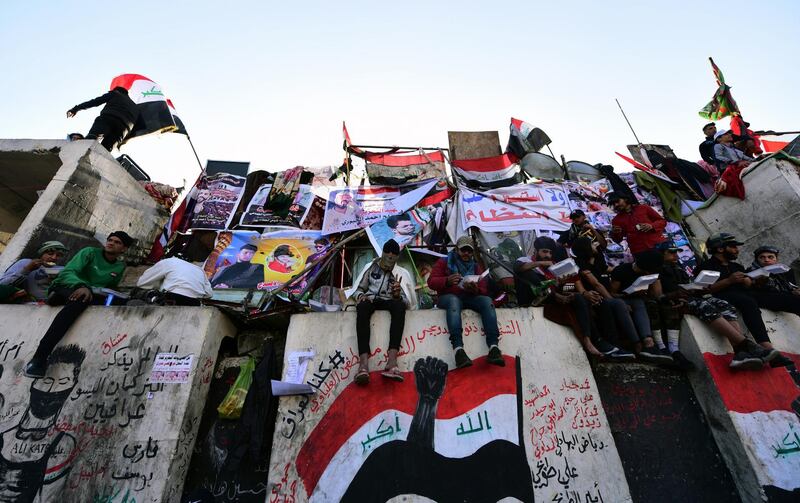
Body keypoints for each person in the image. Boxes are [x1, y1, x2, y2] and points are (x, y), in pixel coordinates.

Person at [653, 241, 776, 370]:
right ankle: (748, 346)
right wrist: (674, 295)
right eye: (671, 253)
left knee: (724, 305)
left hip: (691, 297)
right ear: (661, 254)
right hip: (678, 302)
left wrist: (697, 288)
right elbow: (659, 297)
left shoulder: (678, 269)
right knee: (704, 306)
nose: (676, 256)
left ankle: (740, 353)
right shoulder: (657, 271)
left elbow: (691, 287)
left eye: (676, 252)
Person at [24, 231, 133, 378]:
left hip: (91, 293)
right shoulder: (89, 252)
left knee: (122, 302)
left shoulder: (119, 266)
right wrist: (81, 285)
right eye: (110, 240)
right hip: (67, 285)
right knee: (80, 299)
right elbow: (68, 272)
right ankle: (39, 358)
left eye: (117, 242)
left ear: (124, 249)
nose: (111, 243)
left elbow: (111, 287)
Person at [515, 237, 633, 361]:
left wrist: (564, 284)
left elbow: (567, 287)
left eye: (550, 253)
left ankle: (612, 345)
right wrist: (540, 264)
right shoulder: (525, 260)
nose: (547, 256)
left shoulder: (554, 266)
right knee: (579, 299)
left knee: (599, 302)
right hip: (536, 298)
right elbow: (518, 268)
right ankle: (590, 341)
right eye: (544, 252)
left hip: (556, 296)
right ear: (536, 251)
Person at [0, 345, 84, 501]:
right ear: (34, 383)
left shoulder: (62, 443)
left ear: (72, 386)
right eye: (48, 381)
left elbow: (46, 498)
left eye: (63, 382)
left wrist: (147, 396)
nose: (52, 389)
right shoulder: (4, 433)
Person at [699, 233, 796, 367]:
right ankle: (767, 348)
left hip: (745, 296)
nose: (737, 250)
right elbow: (703, 290)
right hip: (723, 297)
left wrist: (753, 281)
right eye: (733, 247)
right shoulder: (706, 266)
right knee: (747, 301)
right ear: (720, 249)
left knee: (786, 299)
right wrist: (729, 280)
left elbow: (749, 285)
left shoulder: (737, 267)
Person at [572, 238, 666, 362]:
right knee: (619, 304)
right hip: (600, 295)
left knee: (638, 302)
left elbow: (607, 269)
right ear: (586, 249)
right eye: (591, 244)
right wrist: (612, 297)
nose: (595, 244)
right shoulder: (581, 264)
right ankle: (636, 344)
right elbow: (596, 285)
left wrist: (622, 270)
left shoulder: (598, 258)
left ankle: (648, 342)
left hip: (611, 294)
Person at [428, 235, 504, 368]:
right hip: (448, 296)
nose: (466, 253)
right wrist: (447, 280)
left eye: (469, 251)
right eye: (464, 250)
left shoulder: (475, 266)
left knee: (487, 301)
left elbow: (484, 289)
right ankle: (458, 349)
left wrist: (475, 289)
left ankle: (493, 347)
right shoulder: (444, 262)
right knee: (453, 301)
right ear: (457, 249)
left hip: (469, 296)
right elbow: (431, 282)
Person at [351, 240, 413, 384]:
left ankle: (392, 362)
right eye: (387, 252)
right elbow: (358, 289)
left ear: (397, 256)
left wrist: (398, 295)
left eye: (394, 254)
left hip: (390, 301)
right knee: (362, 307)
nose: (390, 256)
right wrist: (361, 296)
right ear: (382, 253)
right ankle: (363, 365)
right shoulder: (371, 268)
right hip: (372, 300)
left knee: (399, 307)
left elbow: (408, 301)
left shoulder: (400, 273)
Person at [608, 250, 675, 364]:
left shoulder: (652, 273)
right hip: (622, 299)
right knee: (635, 303)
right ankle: (640, 345)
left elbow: (658, 294)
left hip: (640, 299)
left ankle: (650, 343)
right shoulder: (621, 271)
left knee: (643, 303)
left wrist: (654, 281)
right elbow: (611, 293)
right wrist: (626, 295)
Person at [66, 86, 139, 151]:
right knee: (105, 152)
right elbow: (139, 126)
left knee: (91, 140)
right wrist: (121, 140)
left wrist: (76, 109)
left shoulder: (115, 93)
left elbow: (95, 102)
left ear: (116, 90)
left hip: (108, 119)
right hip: (124, 129)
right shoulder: (136, 107)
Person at [136, 252, 213, 306]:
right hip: (194, 302)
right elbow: (209, 294)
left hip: (172, 298)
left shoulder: (169, 261)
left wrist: (159, 285)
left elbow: (141, 283)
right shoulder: (199, 269)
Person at [0, 241, 68, 302]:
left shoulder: (62, 269)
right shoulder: (26, 262)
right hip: (28, 305)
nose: (54, 258)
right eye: (50, 254)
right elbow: (3, 285)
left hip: (51, 306)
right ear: (41, 254)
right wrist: (27, 270)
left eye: (58, 255)